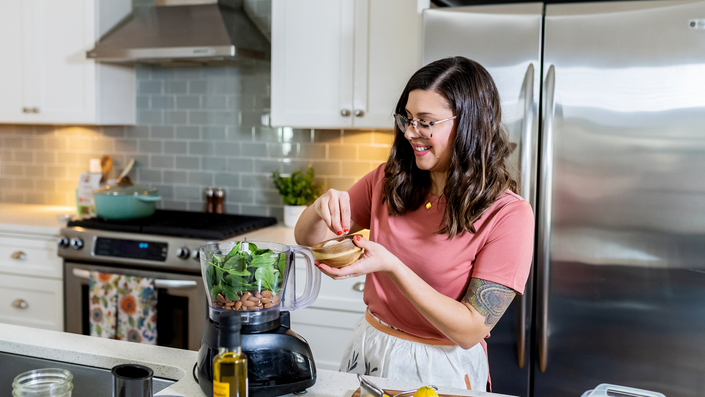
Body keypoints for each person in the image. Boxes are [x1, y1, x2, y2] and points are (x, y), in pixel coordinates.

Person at [294, 56, 534, 392]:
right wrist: (319, 209)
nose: (410, 132)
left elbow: (469, 330)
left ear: (469, 124)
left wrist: (392, 266)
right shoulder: (388, 179)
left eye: (426, 121)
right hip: (370, 348)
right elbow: (308, 238)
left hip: (442, 368)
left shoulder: (508, 214)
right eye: (407, 118)